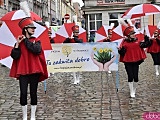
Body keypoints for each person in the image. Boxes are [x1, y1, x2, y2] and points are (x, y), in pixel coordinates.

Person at [9, 17, 48, 120]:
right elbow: (14, 56)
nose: (34, 29)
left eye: (34, 28)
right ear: (25, 29)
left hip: (34, 70)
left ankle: (33, 116)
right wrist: (17, 44)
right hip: (23, 71)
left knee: (33, 92)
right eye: (31, 28)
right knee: (23, 93)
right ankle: (25, 116)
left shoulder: (36, 40)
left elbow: (36, 50)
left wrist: (25, 40)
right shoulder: (20, 42)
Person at [118, 25, 149, 98]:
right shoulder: (124, 43)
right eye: (132, 34)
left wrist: (146, 37)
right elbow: (122, 53)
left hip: (136, 62)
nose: (134, 35)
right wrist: (120, 50)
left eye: (134, 33)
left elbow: (145, 44)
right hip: (128, 62)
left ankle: (134, 90)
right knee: (130, 76)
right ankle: (131, 91)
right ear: (128, 35)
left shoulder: (138, 42)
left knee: (136, 78)